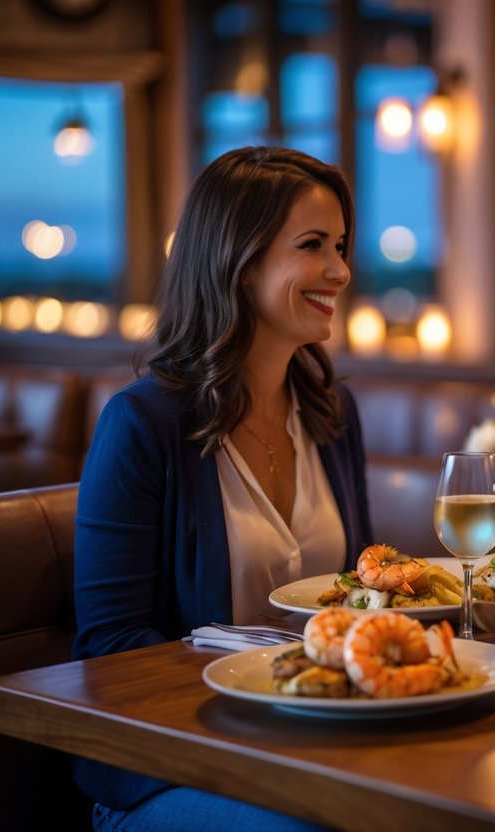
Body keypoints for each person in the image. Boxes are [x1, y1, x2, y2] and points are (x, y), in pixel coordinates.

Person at [73, 146, 372, 831]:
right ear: (237, 262)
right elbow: (110, 647)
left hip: (316, 745)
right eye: (313, 246)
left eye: (341, 245)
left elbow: (362, 590)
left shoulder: (331, 416)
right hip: (174, 766)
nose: (341, 270)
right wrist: (270, 675)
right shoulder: (142, 424)